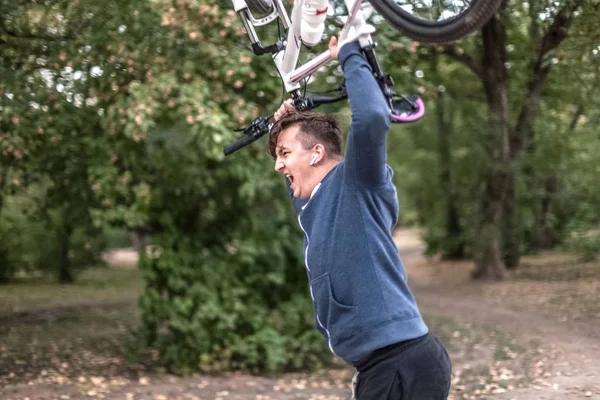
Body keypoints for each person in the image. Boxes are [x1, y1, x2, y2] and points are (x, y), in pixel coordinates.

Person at [268, 35, 452, 399]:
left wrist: (349, 55)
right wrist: (286, 126)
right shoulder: (318, 205)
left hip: (401, 363)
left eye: (284, 153)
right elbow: (299, 190)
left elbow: (371, 118)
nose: (277, 164)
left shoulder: (357, 180)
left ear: (317, 153)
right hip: (383, 367)